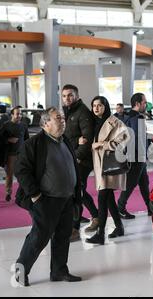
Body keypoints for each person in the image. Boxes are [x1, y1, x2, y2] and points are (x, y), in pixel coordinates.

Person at [14, 107, 82, 287]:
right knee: (38, 238)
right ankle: (21, 272)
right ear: (45, 124)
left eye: (62, 117)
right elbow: (21, 170)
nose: (62, 120)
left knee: (63, 236)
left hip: (66, 198)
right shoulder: (34, 144)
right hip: (46, 200)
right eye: (57, 118)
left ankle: (59, 271)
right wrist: (35, 195)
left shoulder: (64, 140)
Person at [84, 96, 130, 245]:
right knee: (108, 198)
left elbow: (124, 139)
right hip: (100, 166)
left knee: (102, 199)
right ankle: (119, 227)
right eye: (94, 105)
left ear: (106, 106)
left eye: (100, 105)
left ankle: (100, 234)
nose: (96, 108)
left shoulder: (115, 122)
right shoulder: (92, 123)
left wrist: (101, 144)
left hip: (109, 165)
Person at [61, 84, 98, 241]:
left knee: (76, 191)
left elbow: (88, 139)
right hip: (74, 157)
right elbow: (72, 137)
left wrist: (76, 157)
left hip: (82, 159)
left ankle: (74, 229)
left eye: (70, 95)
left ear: (76, 95)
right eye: (64, 96)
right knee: (79, 190)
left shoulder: (82, 112)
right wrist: (76, 141)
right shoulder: (69, 112)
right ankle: (96, 217)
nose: (67, 98)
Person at [117, 93, 151, 219]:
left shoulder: (126, 117)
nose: (146, 105)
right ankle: (120, 208)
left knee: (144, 182)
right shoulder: (137, 118)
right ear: (137, 104)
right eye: (144, 102)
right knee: (131, 182)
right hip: (137, 155)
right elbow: (138, 138)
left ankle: (150, 207)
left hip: (131, 154)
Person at [0, 106, 29, 201]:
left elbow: (26, 139)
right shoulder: (6, 125)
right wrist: (8, 140)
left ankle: (23, 193)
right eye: (17, 114)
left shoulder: (24, 125)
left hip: (22, 154)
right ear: (12, 115)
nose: (19, 115)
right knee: (10, 174)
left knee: (23, 174)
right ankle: (8, 192)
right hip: (10, 154)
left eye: (20, 114)